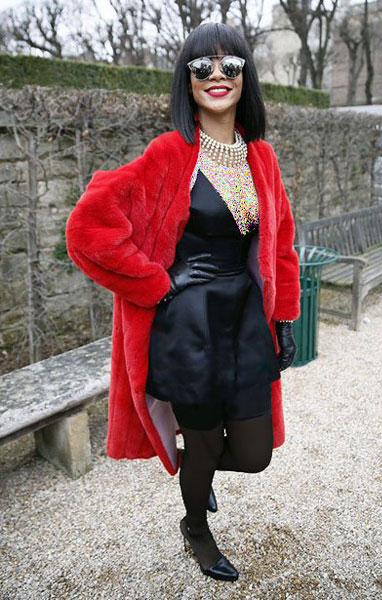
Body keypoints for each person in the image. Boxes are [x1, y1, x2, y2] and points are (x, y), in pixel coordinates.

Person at [66, 21, 300, 583]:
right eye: (202, 66)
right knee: (202, 438)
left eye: (230, 64)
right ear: (187, 80)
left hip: (245, 322)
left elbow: (281, 243)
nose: (217, 75)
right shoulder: (170, 152)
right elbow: (88, 228)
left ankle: (200, 467)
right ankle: (195, 527)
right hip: (189, 327)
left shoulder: (261, 156)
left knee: (255, 453)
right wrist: (157, 281)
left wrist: (284, 317)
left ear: (245, 78)